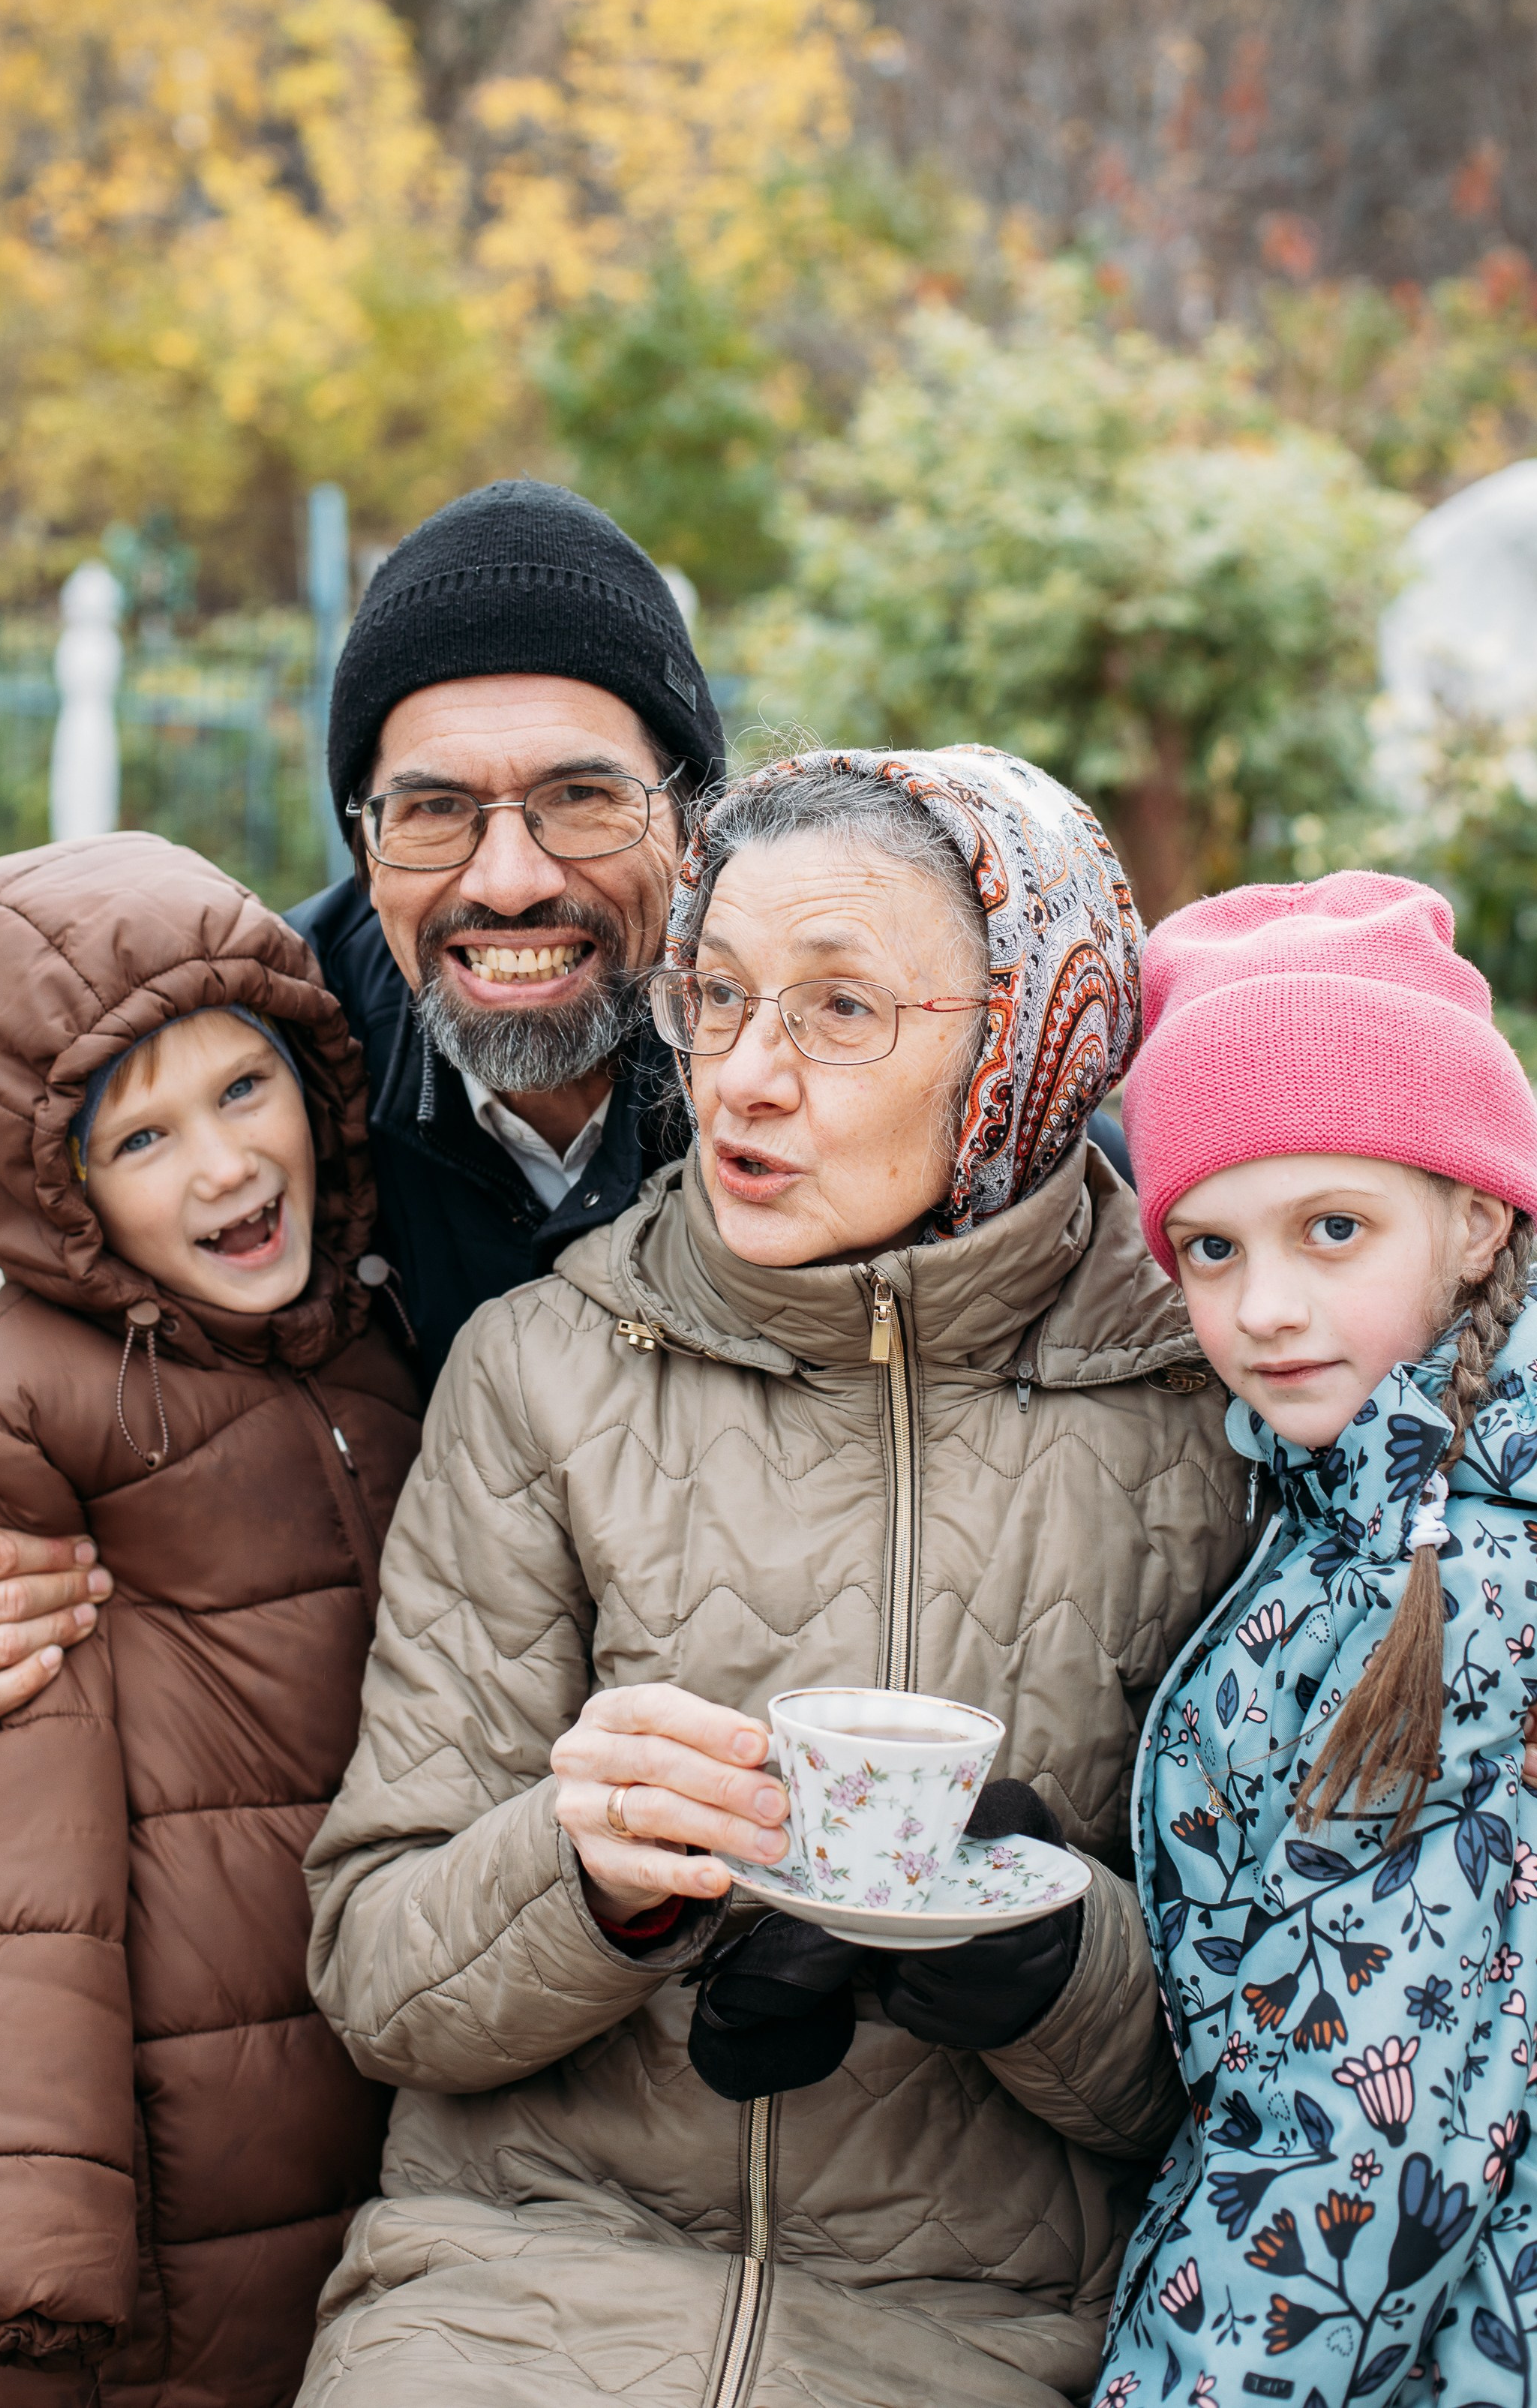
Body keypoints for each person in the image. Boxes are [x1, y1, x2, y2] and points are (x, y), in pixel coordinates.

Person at [296, 746, 1258, 2408]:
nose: (741, 1075)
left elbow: (1309, 2055)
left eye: (838, 1011)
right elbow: (380, 1978)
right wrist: (581, 1876)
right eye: (718, 993)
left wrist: (1052, 1957)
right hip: (508, 2298)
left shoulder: (1211, 1407)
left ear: (1029, 1037)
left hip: (978, 2333)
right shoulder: (547, 1366)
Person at [0, 480, 727, 1752]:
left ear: (693, 817)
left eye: (583, 799)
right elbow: (58, 1346)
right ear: (364, 844)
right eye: (433, 812)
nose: (511, 879)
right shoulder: (260, 1064)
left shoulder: (818, 1034)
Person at [0, 834, 420, 2408]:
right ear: (48, 1189)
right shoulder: (16, 1417)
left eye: (247, 1087)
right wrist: (18, 2235)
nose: (226, 1165)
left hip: (310, 2084)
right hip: (117, 2204)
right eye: (141, 1136)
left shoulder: (360, 1334)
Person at [1096, 873, 1537, 2408]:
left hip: (1493, 2333)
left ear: (1480, 1214)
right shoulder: (1388, 1482)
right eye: (1207, 1248)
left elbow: (1371, 2111)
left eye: (1332, 1226)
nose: (1263, 1306)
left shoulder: (1479, 1561)